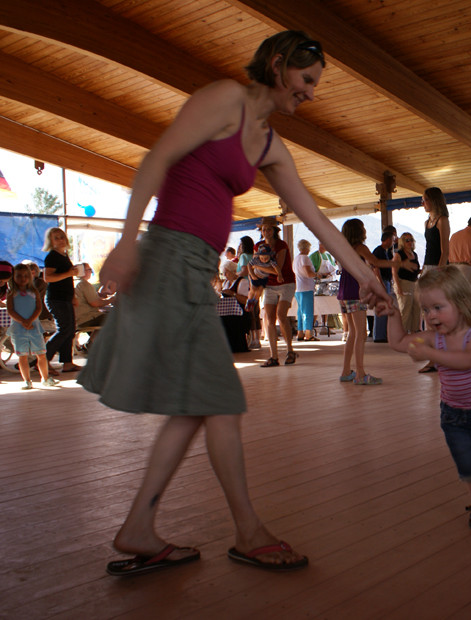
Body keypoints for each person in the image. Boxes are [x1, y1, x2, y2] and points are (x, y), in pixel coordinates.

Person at [77, 31, 391, 576]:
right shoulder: (224, 98)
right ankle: (244, 530)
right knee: (217, 398)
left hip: (195, 272)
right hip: (168, 258)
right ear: (277, 64)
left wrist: (365, 274)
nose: (311, 93)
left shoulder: (270, 144)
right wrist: (126, 241)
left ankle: (139, 528)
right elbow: (157, 159)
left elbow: (316, 218)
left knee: (201, 403)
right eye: (307, 80)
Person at [386, 266, 471, 531]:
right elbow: (398, 341)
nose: (431, 316)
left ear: (462, 303)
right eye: (426, 310)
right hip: (454, 417)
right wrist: (391, 313)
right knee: (469, 465)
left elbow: (467, 361)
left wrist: (428, 354)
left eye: (437, 307)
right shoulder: (435, 339)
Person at [338, 218, 403, 385]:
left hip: (344, 293)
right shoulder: (360, 247)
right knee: (361, 334)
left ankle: (346, 371)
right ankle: (360, 374)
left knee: (353, 333)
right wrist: (397, 263)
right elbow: (375, 263)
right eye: (363, 227)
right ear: (358, 232)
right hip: (355, 292)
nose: (365, 230)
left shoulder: (343, 248)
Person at [6, 263, 58, 389]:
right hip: (18, 329)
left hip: (34, 327)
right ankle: (27, 380)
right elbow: (11, 310)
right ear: (14, 277)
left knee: (41, 354)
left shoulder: (33, 291)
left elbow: (38, 308)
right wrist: (23, 321)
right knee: (22, 356)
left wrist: (30, 320)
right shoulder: (11, 293)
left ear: (30, 276)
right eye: (19, 276)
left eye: (25, 276)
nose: (22, 278)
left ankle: (45, 378)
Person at [255, 216, 299, 366]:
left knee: (281, 314)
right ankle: (273, 356)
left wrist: (257, 268)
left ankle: (290, 350)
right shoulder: (258, 245)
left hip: (286, 282)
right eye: (263, 229)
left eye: (268, 229)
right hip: (270, 285)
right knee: (269, 318)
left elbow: (277, 269)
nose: (265, 231)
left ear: (274, 231)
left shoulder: (281, 245)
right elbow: (255, 265)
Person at [419, 187, 451, 372]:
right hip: (428, 269)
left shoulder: (442, 220)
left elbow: (444, 251)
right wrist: (423, 271)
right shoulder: (427, 222)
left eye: (425, 200)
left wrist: (439, 273)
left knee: (435, 316)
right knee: (428, 317)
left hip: (437, 270)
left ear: (433, 200)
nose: (423, 203)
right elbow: (427, 250)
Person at [42, 227, 82, 374]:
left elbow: (68, 279)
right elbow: (48, 277)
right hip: (56, 298)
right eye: (56, 238)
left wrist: (73, 296)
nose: (60, 240)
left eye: (61, 237)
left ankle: (67, 363)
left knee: (70, 330)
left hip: (65, 298)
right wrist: (69, 273)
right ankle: (43, 360)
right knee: (64, 329)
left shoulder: (64, 255)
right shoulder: (52, 256)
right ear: (51, 242)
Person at [75, 263, 112, 348]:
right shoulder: (84, 284)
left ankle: (92, 342)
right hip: (86, 318)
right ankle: (93, 343)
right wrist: (111, 300)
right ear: (83, 272)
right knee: (114, 318)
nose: (90, 272)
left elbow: (93, 300)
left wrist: (101, 297)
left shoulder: (80, 284)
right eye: (89, 270)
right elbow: (95, 303)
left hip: (82, 317)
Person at [371, 228, 397, 343]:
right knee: (381, 307)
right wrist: (380, 283)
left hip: (386, 281)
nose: (393, 242)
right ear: (386, 240)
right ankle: (379, 335)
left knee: (386, 306)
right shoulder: (379, 251)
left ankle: (383, 334)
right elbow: (376, 268)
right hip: (382, 281)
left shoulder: (386, 251)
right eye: (392, 240)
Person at [393, 232, 422, 334]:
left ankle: (414, 331)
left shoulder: (414, 254)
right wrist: (398, 286)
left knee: (416, 309)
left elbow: (415, 269)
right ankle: (403, 332)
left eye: (411, 240)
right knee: (405, 309)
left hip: (414, 283)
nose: (409, 242)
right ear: (402, 242)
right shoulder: (399, 254)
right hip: (404, 283)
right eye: (407, 240)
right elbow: (394, 271)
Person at [293, 238, 317, 342]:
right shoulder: (305, 258)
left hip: (298, 288)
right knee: (308, 311)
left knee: (300, 311)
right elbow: (308, 273)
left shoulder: (296, 258)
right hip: (306, 287)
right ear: (307, 248)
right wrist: (318, 275)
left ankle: (300, 333)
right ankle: (308, 334)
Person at [448, 215, 471, 283]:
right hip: (465, 269)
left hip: (452, 268)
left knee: (454, 292)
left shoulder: (454, 235)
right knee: (466, 292)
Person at [245, 244, 281, 311]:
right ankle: (249, 300)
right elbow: (249, 265)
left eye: (266, 258)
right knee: (253, 289)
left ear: (270, 256)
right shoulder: (256, 260)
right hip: (255, 275)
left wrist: (280, 275)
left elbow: (277, 268)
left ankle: (255, 301)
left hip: (264, 278)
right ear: (259, 256)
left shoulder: (271, 261)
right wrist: (252, 274)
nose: (264, 260)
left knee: (260, 290)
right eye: (262, 258)